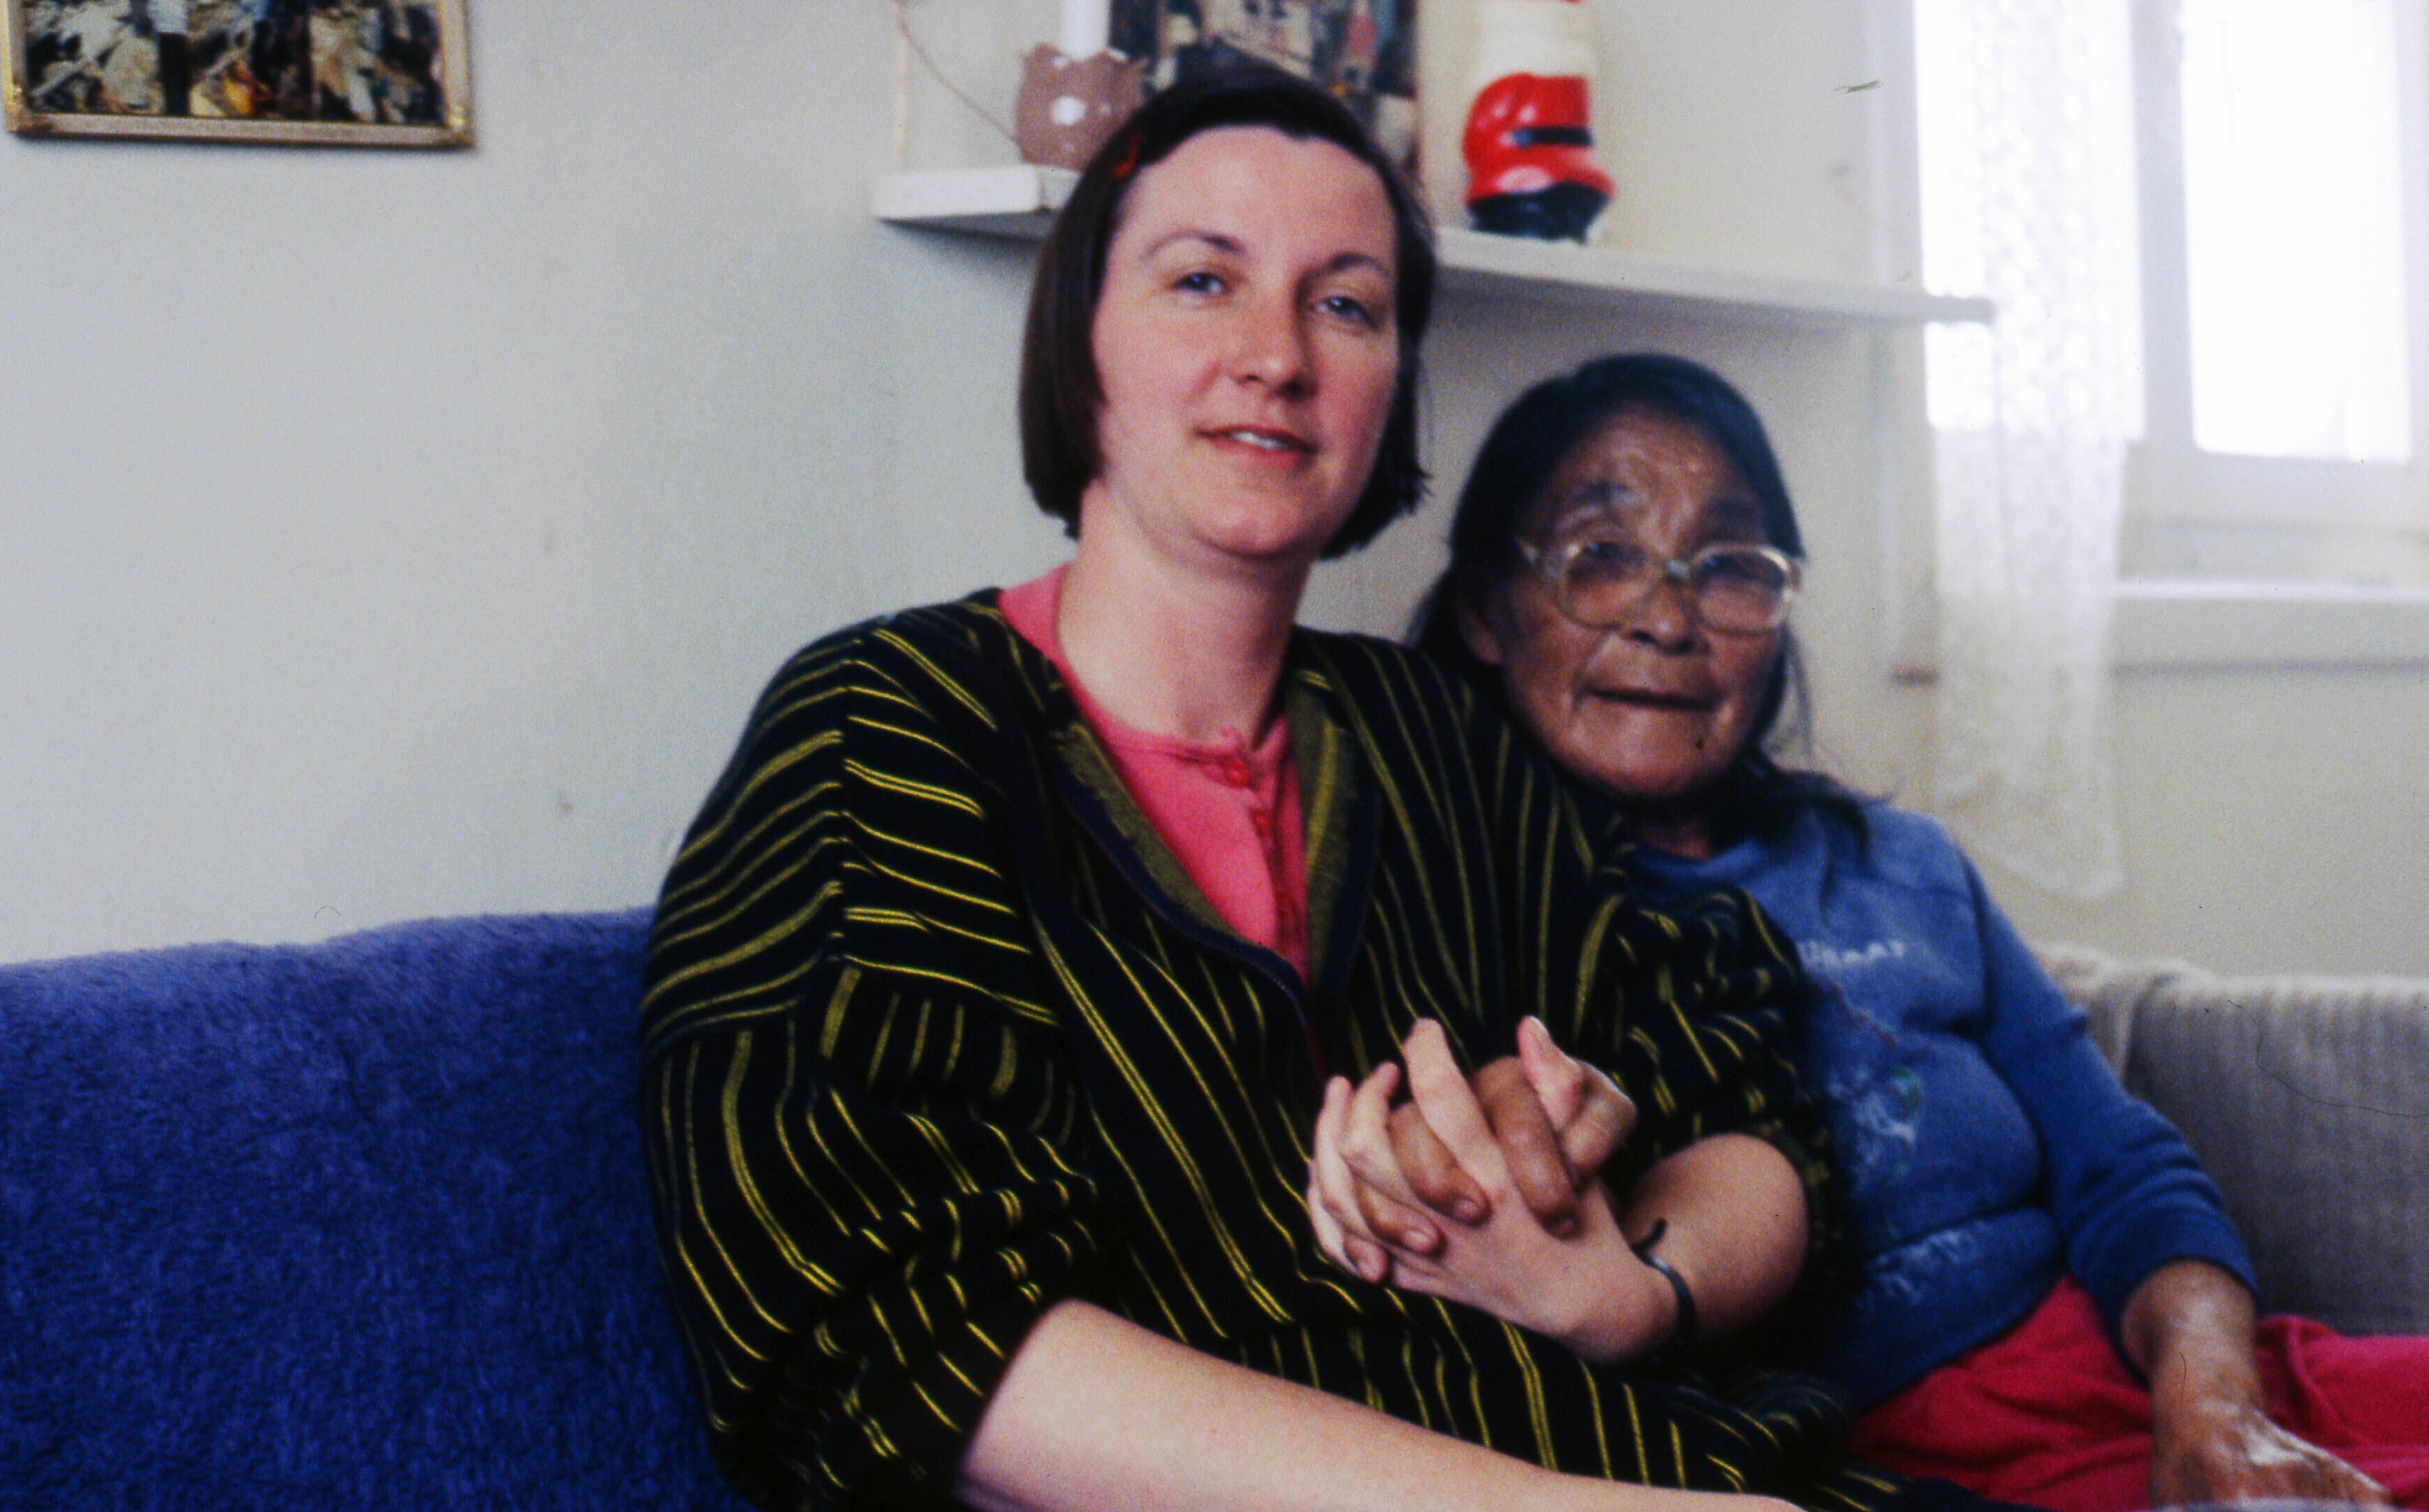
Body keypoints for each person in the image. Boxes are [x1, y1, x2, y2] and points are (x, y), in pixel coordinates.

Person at [639, 74, 2010, 1512]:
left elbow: (1752, 1112)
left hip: (1710, 1467)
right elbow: (891, 1340)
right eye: (1202, 280)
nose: (1275, 357)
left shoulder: (1441, 736)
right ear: (1080, 343)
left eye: (1344, 305)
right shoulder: (885, 728)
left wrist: (1627, 1291)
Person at [1310, 351, 2429, 1512]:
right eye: (1600, 556)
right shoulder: (1485, 923)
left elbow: (2124, 1168)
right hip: (1898, 1465)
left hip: (2160, 1378)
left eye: (1729, 568)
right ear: (1484, 608)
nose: (1668, 619)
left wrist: (2212, 1408)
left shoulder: (1900, 864)